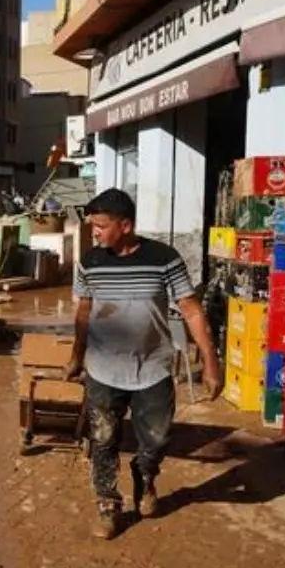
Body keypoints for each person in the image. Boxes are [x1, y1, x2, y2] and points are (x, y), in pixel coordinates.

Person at [66, 188, 220, 540]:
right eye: (93, 227)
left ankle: (145, 472)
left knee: (159, 438)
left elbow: (192, 309)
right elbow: (84, 310)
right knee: (103, 438)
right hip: (103, 369)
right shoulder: (90, 261)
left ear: (125, 225)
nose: (96, 233)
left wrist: (211, 361)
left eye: (101, 226)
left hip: (152, 368)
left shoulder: (163, 258)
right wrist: (77, 355)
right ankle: (107, 504)